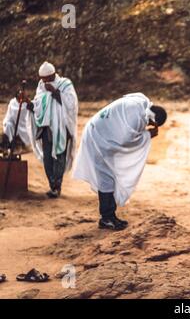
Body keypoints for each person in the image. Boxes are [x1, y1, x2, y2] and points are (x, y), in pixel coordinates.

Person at [73, 93, 167, 231]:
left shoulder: (141, 101)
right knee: (106, 179)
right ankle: (106, 218)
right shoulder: (138, 119)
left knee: (110, 177)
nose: (149, 124)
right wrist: (147, 135)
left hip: (99, 130)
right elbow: (125, 140)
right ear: (154, 120)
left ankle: (110, 215)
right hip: (98, 138)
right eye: (152, 123)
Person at [26, 61, 78, 198]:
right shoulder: (41, 86)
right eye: (42, 79)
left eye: (47, 79)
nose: (44, 82)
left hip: (61, 127)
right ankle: (52, 185)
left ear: (53, 75)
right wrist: (29, 104)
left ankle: (57, 186)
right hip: (45, 128)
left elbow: (71, 104)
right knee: (48, 158)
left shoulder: (65, 84)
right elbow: (38, 104)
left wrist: (55, 92)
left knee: (59, 156)